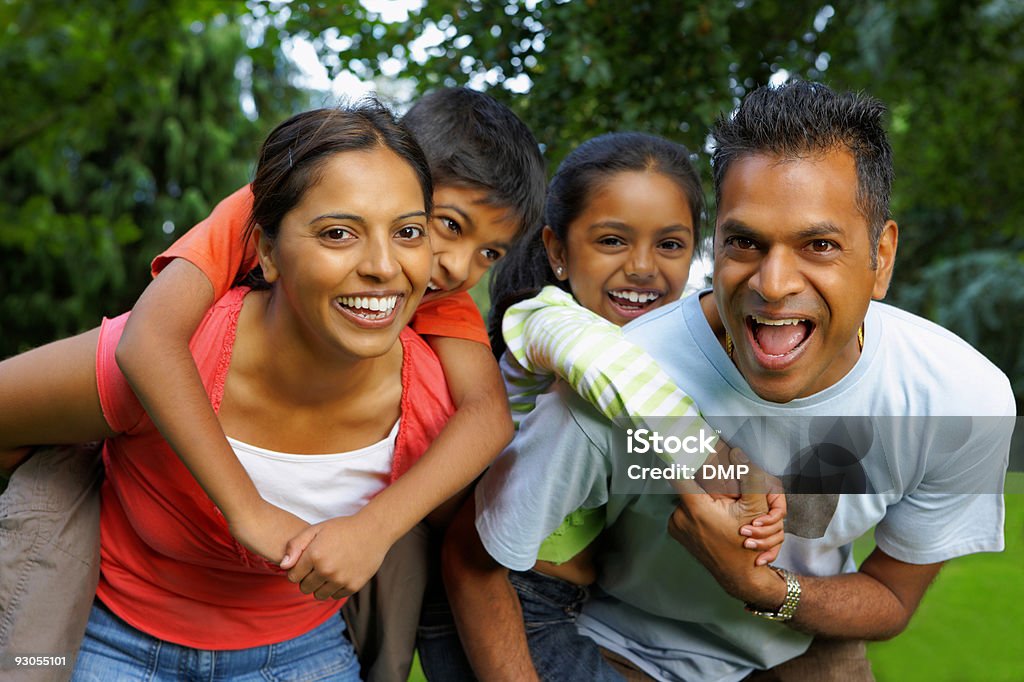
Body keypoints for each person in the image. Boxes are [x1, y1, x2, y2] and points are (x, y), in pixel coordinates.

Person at [469, 81, 1015, 681]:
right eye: (746, 242)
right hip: (626, 648)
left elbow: (890, 599)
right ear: (717, 245)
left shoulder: (959, 399)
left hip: (807, 635)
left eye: (820, 244)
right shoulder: (615, 385)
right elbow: (481, 564)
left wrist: (755, 584)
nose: (774, 283)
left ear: (880, 257)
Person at [0, 87, 546, 682]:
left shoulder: (440, 313)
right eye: (448, 226)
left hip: (298, 643)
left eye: (487, 252)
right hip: (117, 620)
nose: (458, 267)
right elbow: (149, 343)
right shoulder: (254, 218)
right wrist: (242, 507)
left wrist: (374, 530)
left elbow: (486, 420)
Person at [434, 132, 785, 681]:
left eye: (670, 245)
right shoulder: (549, 320)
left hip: (572, 605)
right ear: (557, 251)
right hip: (513, 602)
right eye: (612, 241)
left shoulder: (655, 350)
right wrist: (716, 462)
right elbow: (603, 369)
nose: (643, 267)